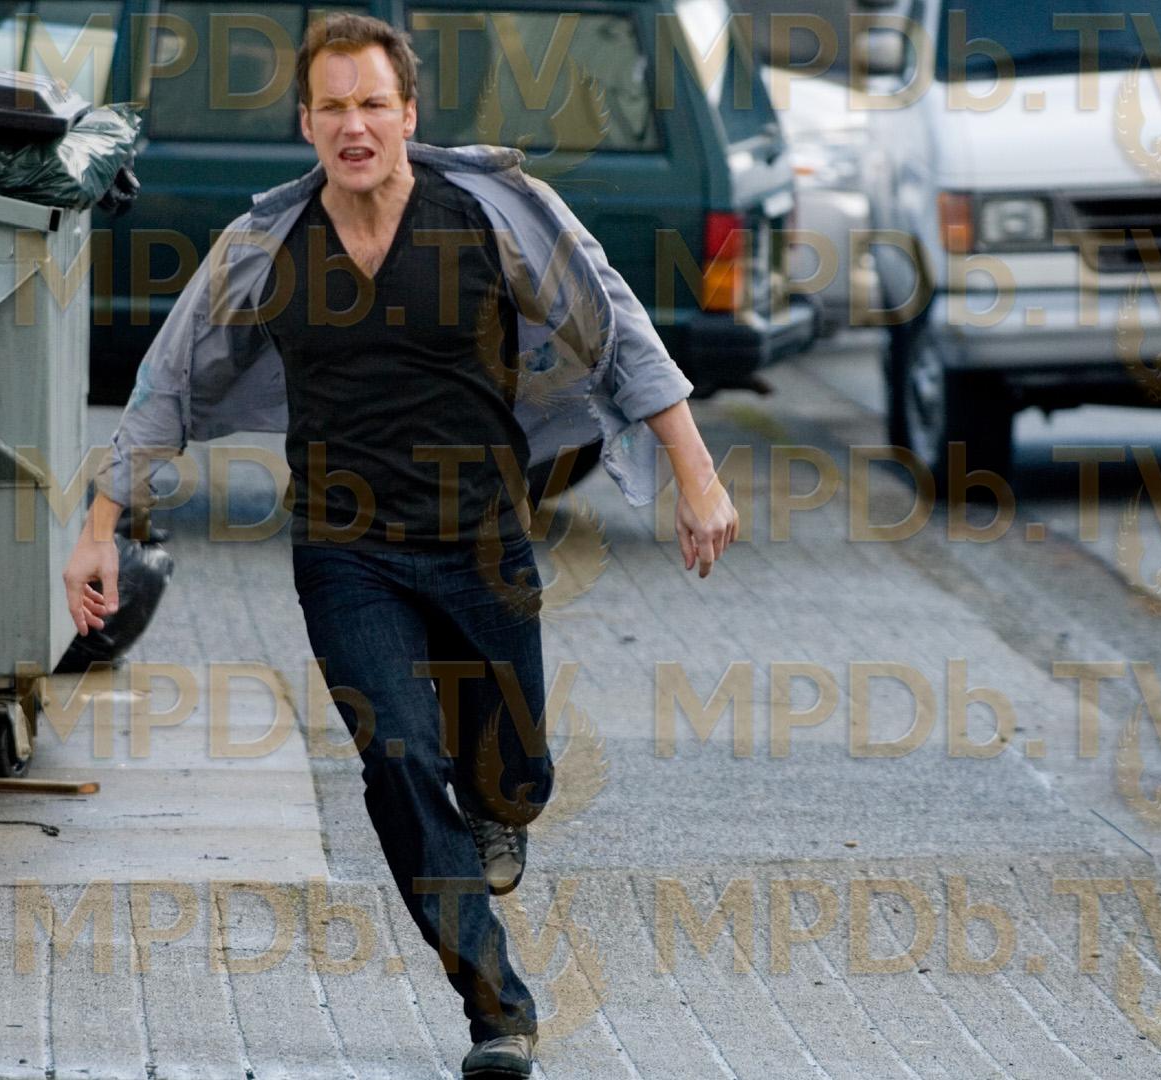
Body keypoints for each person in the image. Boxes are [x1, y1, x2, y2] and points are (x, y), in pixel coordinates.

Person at [65, 13, 737, 1078]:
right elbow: (166, 386)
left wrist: (695, 478)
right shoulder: (265, 246)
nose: (355, 125)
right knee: (398, 759)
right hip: (348, 553)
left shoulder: (493, 215)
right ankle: (497, 1011)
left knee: (511, 776)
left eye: (373, 103)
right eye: (333, 107)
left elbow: (619, 333)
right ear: (306, 124)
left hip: (483, 543)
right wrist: (100, 527)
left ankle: (504, 804)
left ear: (409, 114)